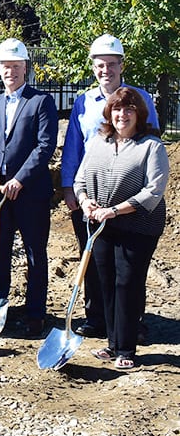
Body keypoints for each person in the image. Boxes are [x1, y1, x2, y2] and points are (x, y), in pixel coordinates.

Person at [61, 34, 159, 340]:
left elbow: (152, 139)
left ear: (121, 65)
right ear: (93, 67)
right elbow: (73, 147)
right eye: (101, 65)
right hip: (91, 194)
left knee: (128, 264)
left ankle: (132, 321)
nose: (106, 70)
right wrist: (69, 187)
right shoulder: (84, 102)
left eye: (112, 64)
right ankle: (97, 318)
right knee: (95, 258)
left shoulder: (140, 98)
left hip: (129, 192)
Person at [74, 87, 167, 370]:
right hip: (102, 225)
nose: (122, 115)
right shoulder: (100, 142)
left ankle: (126, 348)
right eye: (117, 109)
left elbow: (153, 191)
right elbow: (80, 180)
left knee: (127, 283)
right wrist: (86, 202)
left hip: (137, 226)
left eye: (129, 109)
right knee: (107, 283)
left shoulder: (151, 146)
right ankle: (112, 343)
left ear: (139, 114)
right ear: (109, 113)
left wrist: (114, 210)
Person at [0, 38, 58, 338]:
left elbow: (45, 146)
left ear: (25, 68)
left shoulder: (41, 102)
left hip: (31, 194)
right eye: (5, 66)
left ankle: (36, 313)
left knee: (35, 253)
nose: (10, 71)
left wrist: (19, 180)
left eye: (15, 66)